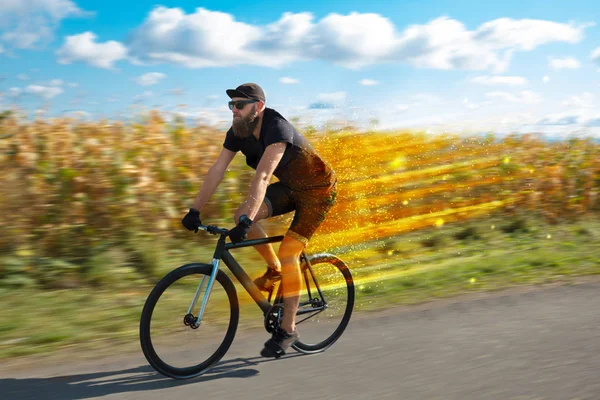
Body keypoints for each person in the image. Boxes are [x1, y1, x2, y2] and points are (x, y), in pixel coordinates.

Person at [181, 82, 337, 357]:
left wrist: (247, 220)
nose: (234, 111)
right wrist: (195, 210)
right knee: (241, 214)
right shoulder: (238, 132)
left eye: (240, 105)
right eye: (232, 105)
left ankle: (288, 330)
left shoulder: (276, 127)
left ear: (259, 106)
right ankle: (273, 269)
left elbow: (263, 176)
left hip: (318, 191)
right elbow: (217, 169)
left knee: (289, 251)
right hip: (290, 188)